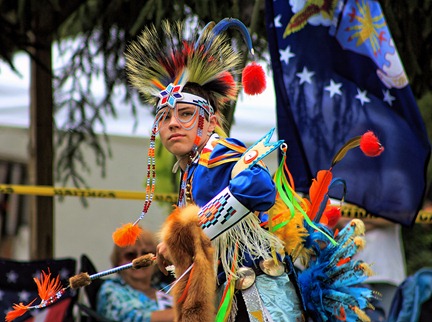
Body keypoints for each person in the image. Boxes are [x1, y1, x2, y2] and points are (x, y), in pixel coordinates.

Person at [123, 18, 375, 321]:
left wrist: (187, 233)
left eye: (186, 113)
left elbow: (259, 187)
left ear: (212, 121)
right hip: (229, 295)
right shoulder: (190, 169)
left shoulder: (220, 152)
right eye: (164, 117)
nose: (173, 123)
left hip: (256, 297)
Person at [96, 228, 175, 322]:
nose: (139, 260)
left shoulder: (164, 288)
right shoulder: (111, 290)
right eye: (130, 255)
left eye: (146, 254)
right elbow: (138, 319)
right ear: (118, 261)